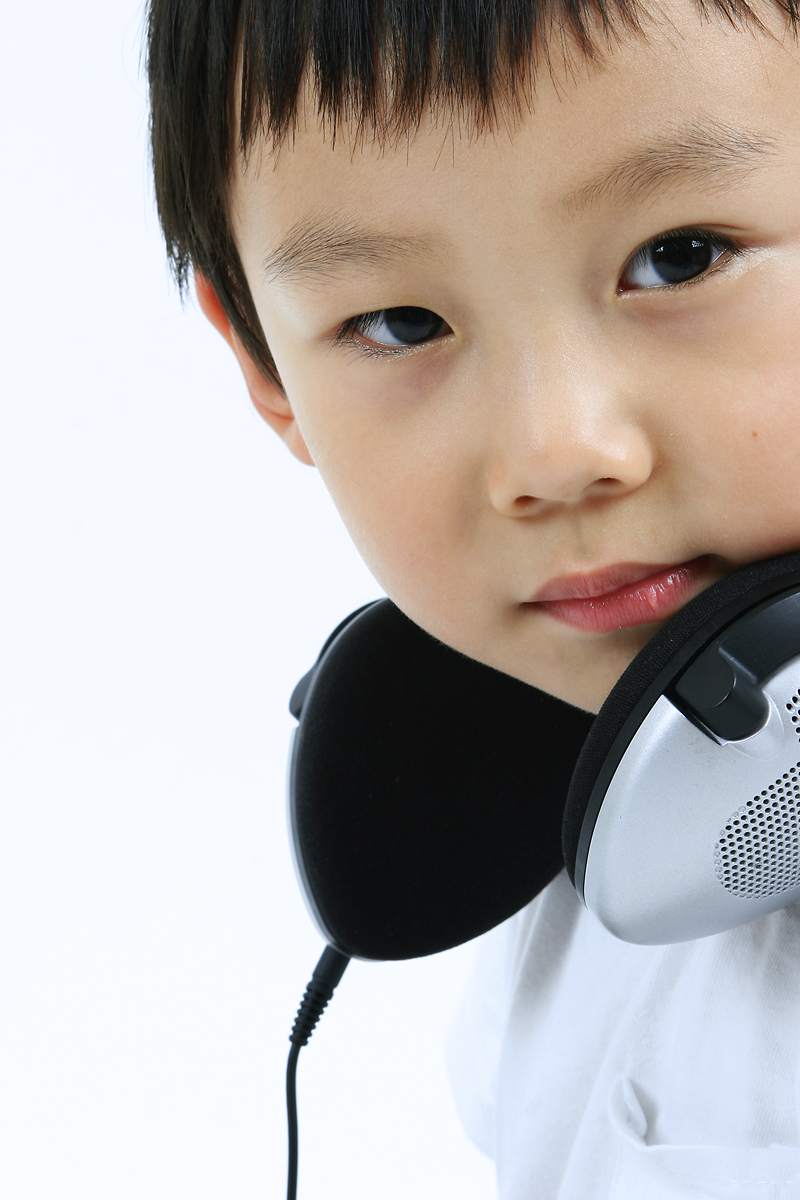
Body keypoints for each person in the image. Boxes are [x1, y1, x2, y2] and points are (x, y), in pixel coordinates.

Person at [146, 1, 800, 1195]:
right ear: (266, 371)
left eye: (682, 255)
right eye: (400, 324)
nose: (555, 451)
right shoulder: (578, 857)